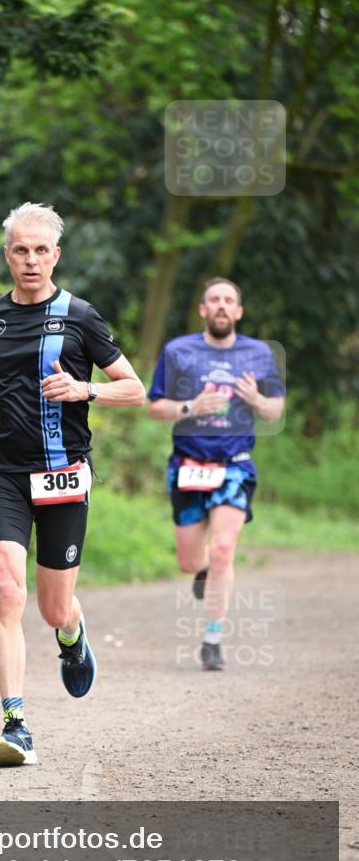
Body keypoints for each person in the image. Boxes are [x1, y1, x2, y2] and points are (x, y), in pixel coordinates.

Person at [0, 202, 145, 767]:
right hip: (2, 471)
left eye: (40, 250)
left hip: (62, 472)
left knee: (54, 608)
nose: (30, 260)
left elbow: (134, 389)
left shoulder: (81, 316)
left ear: (55, 255)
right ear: (6, 254)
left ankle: (71, 633)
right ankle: (14, 724)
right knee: (8, 589)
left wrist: (86, 392)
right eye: (20, 250)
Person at [147, 277, 285, 671]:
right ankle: (202, 570)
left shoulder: (258, 354)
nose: (222, 306)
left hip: (235, 464)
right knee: (190, 562)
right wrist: (191, 407)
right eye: (214, 300)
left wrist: (256, 399)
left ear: (238, 311)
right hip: (188, 465)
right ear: (203, 310)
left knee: (224, 549)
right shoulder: (178, 351)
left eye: (229, 300)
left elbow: (275, 410)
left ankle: (212, 639)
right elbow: (154, 406)